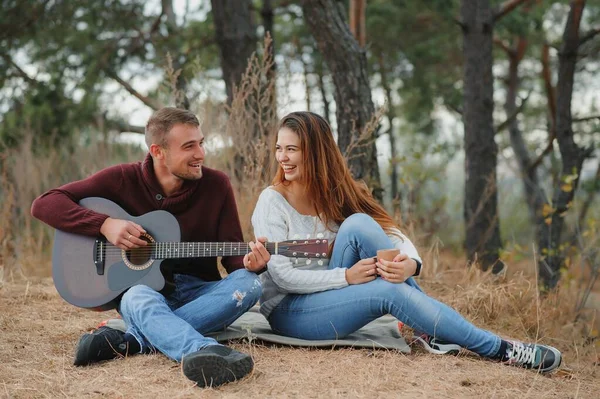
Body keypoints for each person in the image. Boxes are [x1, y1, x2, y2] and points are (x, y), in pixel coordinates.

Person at [251, 111, 562, 373]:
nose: (282, 158)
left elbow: (394, 234)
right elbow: (282, 276)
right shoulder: (272, 201)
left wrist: (412, 264)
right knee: (388, 291)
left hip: (331, 293)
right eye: (280, 148)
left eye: (291, 149)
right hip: (289, 310)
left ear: (315, 153)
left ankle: (430, 330)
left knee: (359, 223)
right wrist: (345, 276)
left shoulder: (336, 192)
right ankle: (500, 349)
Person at [31, 107, 270, 387]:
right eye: (189, 146)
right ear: (158, 151)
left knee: (251, 284)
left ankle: (135, 340)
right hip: (148, 296)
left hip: (200, 293)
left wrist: (250, 263)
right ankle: (202, 351)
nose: (201, 154)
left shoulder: (217, 185)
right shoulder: (122, 179)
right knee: (135, 297)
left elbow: (232, 258)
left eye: (201, 143)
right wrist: (105, 224)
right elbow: (45, 203)